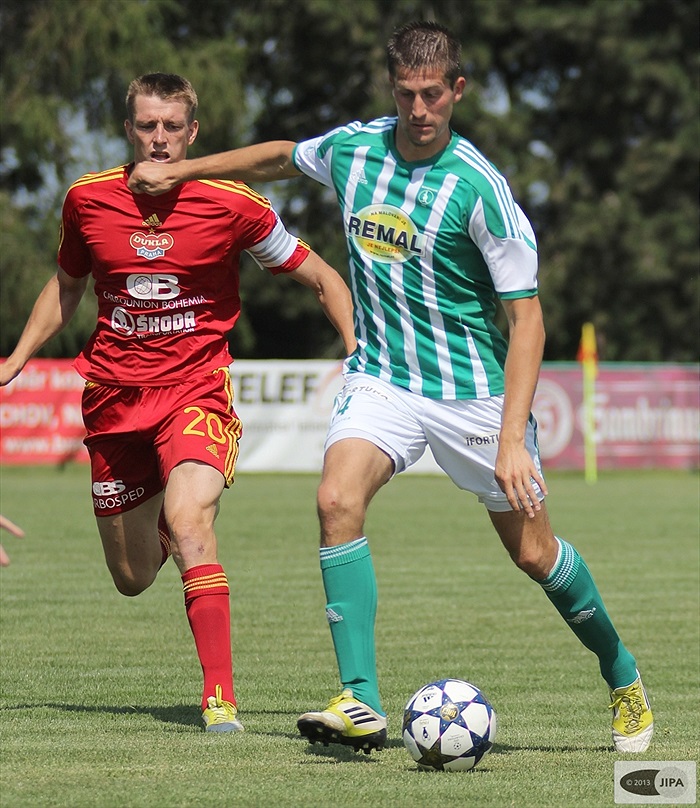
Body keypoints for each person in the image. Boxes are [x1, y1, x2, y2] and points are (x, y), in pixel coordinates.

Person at [128, 23, 653, 754]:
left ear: (457, 90)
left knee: (535, 555)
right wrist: (184, 172)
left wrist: (510, 441)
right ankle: (361, 700)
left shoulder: (481, 189)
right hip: (384, 378)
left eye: (433, 94)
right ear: (392, 89)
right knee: (336, 499)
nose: (419, 109)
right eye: (406, 93)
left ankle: (622, 675)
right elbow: (282, 156)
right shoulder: (354, 149)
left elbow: (527, 322)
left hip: (472, 394)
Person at [0, 73, 355, 733]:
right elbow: (67, 284)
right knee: (133, 576)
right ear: (128, 129)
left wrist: (356, 349)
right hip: (112, 400)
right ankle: (164, 522)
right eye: (146, 126)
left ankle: (219, 698)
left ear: (193, 133)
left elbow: (320, 276)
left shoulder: (234, 204)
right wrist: (20, 354)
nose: (158, 139)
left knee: (190, 518)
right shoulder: (86, 199)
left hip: (197, 390)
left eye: (171, 128)